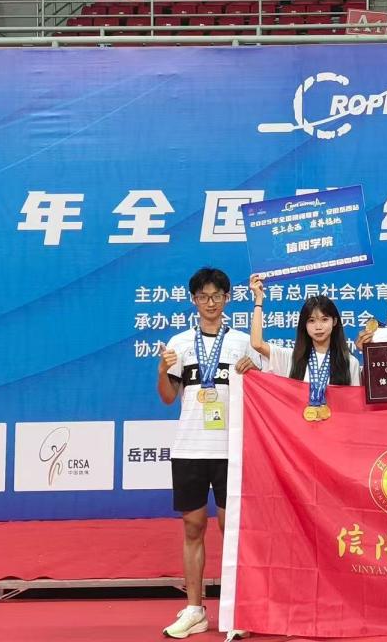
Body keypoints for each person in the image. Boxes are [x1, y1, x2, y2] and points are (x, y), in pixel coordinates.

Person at [156, 267, 260, 640]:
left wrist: (255, 372)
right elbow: (168, 397)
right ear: (193, 300)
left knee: (231, 530)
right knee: (193, 527)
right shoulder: (180, 342)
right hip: (190, 447)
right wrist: (163, 369)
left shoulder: (244, 342)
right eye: (203, 296)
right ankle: (194, 610)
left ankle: (237, 611)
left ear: (227, 298)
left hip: (233, 449)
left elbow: (262, 395)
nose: (210, 303)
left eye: (217, 296)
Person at [249, 273, 360, 420]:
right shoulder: (291, 357)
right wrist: (258, 299)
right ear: (304, 325)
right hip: (297, 432)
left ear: (334, 322)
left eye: (324, 319)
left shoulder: (350, 363)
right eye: (311, 321)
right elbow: (257, 343)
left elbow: (355, 410)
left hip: (336, 431)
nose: (318, 327)